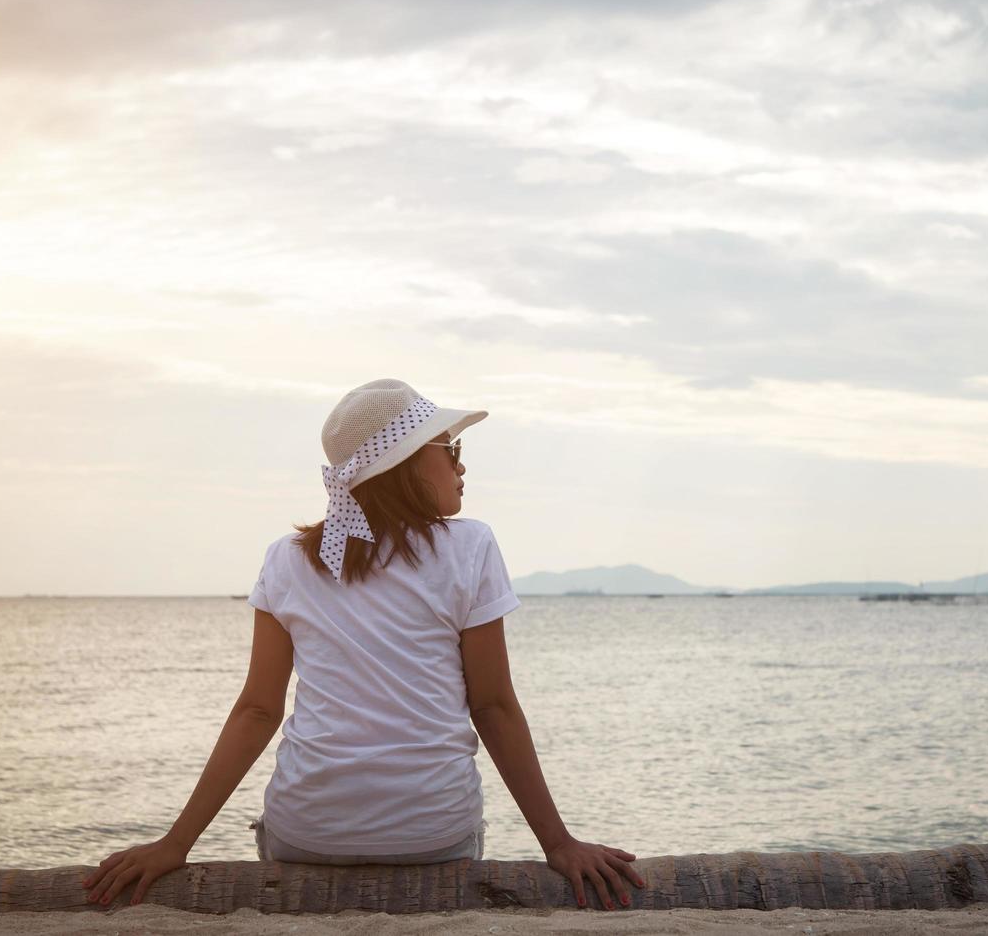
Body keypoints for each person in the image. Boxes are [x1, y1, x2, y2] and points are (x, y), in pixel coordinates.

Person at [81, 378, 645, 910]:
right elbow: (493, 706)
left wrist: (175, 844)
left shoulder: (287, 558)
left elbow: (257, 710)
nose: (461, 463)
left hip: (310, 831)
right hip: (432, 832)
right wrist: (559, 844)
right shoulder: (471, 546)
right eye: (449, 447)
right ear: (406, 463)